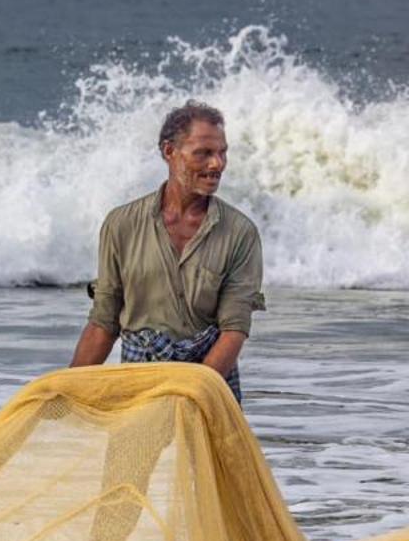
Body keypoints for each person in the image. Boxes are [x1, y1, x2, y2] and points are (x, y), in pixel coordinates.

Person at [69, 100, 265, 403]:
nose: (217, 164)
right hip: (139, 385)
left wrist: (189, 397)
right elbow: (104, 322)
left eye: (222, 153)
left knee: (205, 454)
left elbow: (234, 330)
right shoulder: (121, 225)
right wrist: (67, 393)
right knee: (130, 453)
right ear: (169, 152)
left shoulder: (240, 233)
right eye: (204, 153)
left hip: (208, 385)